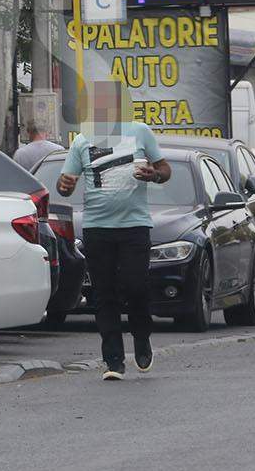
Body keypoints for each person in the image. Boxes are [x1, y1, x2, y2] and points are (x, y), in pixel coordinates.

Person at [55, 81, 172, 382]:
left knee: (135, 286)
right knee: (104, 293)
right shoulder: (82, 141)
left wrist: (154, 174)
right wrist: (64, 186)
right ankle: (113, 360)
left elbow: (165, 170)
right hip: (97, 228)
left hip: (134, 226)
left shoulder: (140, 132)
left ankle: (142, 337)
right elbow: (64, 184)